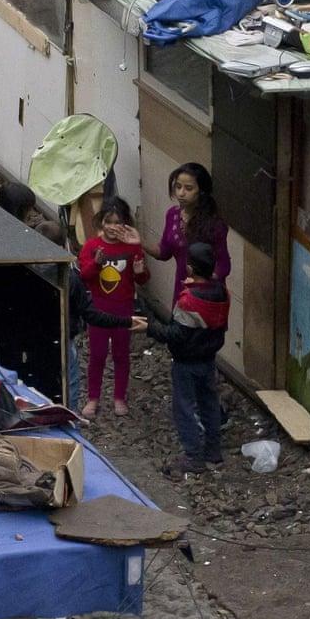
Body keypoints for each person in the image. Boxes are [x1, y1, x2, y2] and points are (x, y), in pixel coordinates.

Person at [0, 181, 134, 413]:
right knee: (69, 379)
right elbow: (89, 308)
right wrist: (127, 321)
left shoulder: (30, 269)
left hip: (33, 337)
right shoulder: (69, 277)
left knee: (37, 380)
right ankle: (67, 416)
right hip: (62, 335)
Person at [143, 242, 229, 476]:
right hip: (209, 358)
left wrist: (149, 327)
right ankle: (213, 451)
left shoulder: (188, 300)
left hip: (186, 362)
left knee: (184, 408)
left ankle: (193, 457)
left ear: (190, 269)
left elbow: (176, 335)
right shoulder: (222, 292)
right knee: (209, 404)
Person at [77, 197, 148, 419]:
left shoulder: (132, 247)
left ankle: (119, 397)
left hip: (123, 308)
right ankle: (93, 398)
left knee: (121, 354)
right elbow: (84, 277)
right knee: (96, 355)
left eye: (117, 222)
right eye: (108, 222)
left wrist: (138, 271)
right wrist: (97, 263)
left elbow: (144, 278)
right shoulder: (91, 246)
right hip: (98, 309)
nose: (112, 227)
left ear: (125, 223)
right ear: (101, 222)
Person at [143, 163, 229, 304]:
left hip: (207, 298)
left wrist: (201, 283)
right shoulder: (172, 215)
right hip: (182, 292)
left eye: (188, 188)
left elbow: (223, 264)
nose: (181, 193)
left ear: (201, 191)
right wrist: (139, 241)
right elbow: (164, 252)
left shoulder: (215, 224)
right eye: (178, 187)